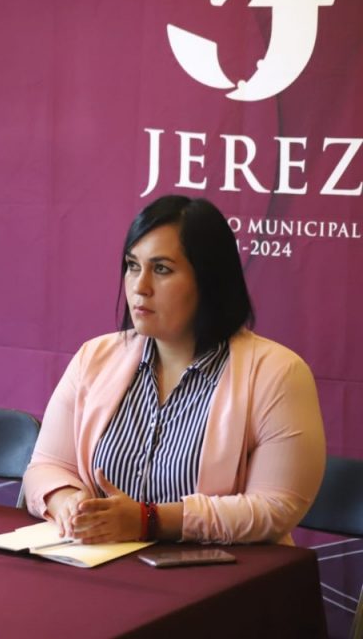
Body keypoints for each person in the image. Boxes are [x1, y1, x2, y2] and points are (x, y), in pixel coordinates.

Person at [23, 195, 325, 545]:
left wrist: (150, 521)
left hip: (221, 573)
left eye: (162, 269)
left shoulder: (278, 373)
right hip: (101, 563)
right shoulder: (95, 356)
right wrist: (69, 504)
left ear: (209, 280)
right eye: (132, 266)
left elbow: (275, 507)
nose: (140, 286)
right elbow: (45, 467)